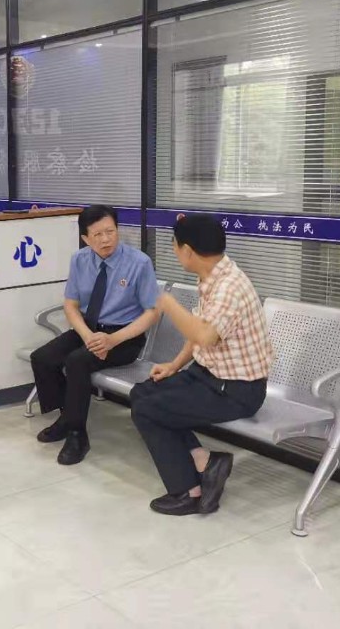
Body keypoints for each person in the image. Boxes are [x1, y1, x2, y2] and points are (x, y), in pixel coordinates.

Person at [130, 213, 273, 516]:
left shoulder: (228, 287)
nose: (174, 250)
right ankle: (204, 460)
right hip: (208, 375)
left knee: (148, 410)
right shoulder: (213, 276)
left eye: (174, 245)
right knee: (142, 393)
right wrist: (174, 365)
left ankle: (188, 492)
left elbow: (205, 335)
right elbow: (199, 331)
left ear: (187, 250)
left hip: (236, 390)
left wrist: (168, 304)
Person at [30, 205, 160, 465]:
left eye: (110, 231)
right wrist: (87, 335)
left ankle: (77, 435)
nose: (105, 239)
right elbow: (71, 305)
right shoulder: (80, 260)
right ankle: (66, 418)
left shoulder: (139, 263)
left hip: (123, 338)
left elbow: (152, 312)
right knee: (42, 358)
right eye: (97, 234)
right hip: (88, 330)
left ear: (118, 230)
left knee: (77, 361)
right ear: (86, 238)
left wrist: (112, 340)